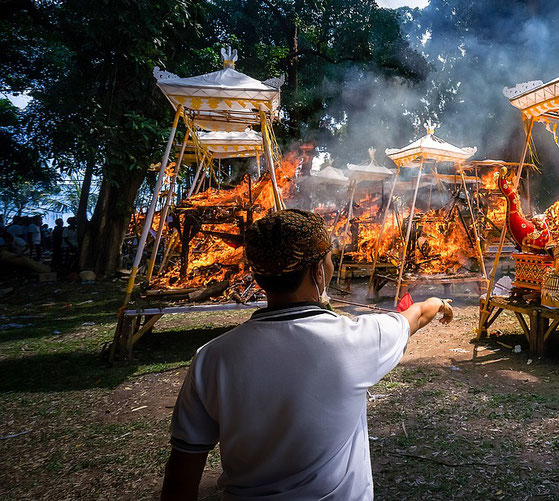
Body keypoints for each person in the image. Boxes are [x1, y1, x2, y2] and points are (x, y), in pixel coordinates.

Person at [160, 209, 454, 501]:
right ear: (317, 272)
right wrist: (436, 302)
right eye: (329, 258)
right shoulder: (358, 339)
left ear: (257, 274)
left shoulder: (211, 358)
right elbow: (413, 317)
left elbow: (182, 472)